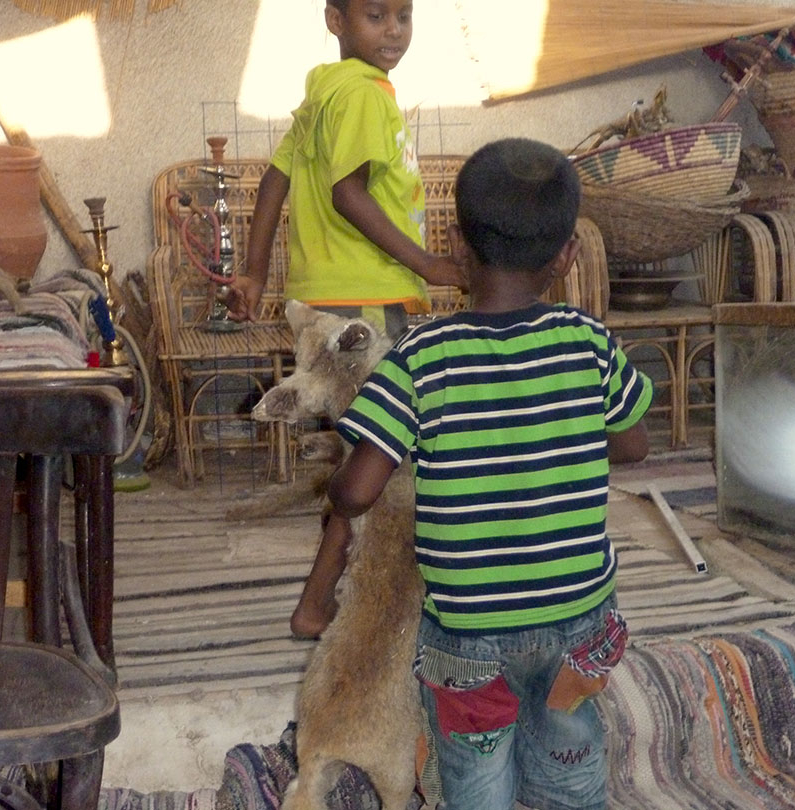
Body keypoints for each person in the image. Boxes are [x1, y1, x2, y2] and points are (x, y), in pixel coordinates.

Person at [326, 137, 653, 810]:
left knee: (476, 783)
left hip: (470, 633)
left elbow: (356, 493)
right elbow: (634, 445)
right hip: (579, 625)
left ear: (457, 244)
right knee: (570, 759)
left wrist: (336, 482)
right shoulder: (589, 341)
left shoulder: (423, 356)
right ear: (566, 256)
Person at [223, 0, 464, 638]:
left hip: (321, 301)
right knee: (381, 460)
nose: (393, 32)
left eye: (403, 17)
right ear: (335, 20)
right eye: (375, 16)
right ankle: (317, 602)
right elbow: (346, 192)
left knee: (366, 454)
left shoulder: (323, 92)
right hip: (367, 301)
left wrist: (254, 272)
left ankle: (334, 594)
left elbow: (274, 180)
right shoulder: (362, 94)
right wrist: (430, 264)